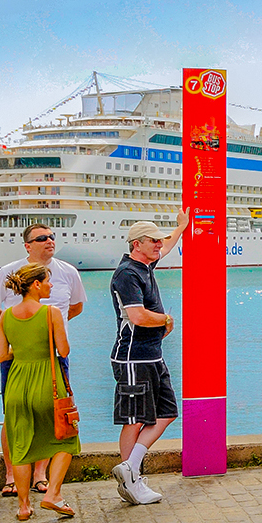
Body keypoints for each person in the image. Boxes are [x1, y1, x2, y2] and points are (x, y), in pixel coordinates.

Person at [0, 223, 87, 497]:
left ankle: (40, 475)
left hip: (54, 356)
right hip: (18, 356)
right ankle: (10, 475)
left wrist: (48, 332)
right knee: (13, 415)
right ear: (28, 245)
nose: (49, 241)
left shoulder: (68, 272)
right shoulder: (8, 271)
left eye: (52, 236)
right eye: (42, 238)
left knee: (51, 413)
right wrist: (19, 332)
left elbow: (76, 307)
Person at [109, 211, 187, 506]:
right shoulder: (127, 274)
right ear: (137, 244)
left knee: (166, 412)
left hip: (152, 355)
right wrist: (167, 319)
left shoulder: (146, 264)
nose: (158, 244)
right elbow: (138, 316)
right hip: (132, 357)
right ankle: (132, 480)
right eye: (152, 241)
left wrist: (180, 228)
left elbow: (167, 247)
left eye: (157, 240)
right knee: (134, 419)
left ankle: (130, 469)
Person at [0, 263, 79, 520]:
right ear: (36, 284)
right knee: (67, 439)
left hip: (17, 383)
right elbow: (63, 351)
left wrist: (21, 352)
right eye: (47, 281)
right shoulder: (51, 313)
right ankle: (53, 494)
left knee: (20, 446)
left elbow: (1, 355)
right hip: (47, 382)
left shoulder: (6, 315)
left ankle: (23, 506)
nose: (50, 285)